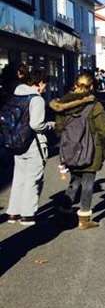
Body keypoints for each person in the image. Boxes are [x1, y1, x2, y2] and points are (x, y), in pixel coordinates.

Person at [51, 72, 105, 230]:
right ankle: (84, 219)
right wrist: (104, 145)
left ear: (75, 85)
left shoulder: (62, 105)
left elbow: (58, 129)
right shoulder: (94, 105)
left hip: (70, 149)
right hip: (92, 150)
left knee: (74, 180)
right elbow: (104, 131)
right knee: (88, 183)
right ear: (91, 87)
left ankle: (64, 212)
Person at [3, 65, 54, 226]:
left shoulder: (16, 94)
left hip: (15, 142)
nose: (45, 88)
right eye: (45, 84)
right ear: (39, 83)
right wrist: (50, 125)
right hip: (32, 143)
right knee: (33, 178)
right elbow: (36, 125)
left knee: (19, 178)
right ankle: (27, 214)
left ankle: (13, 212)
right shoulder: (36, 99)